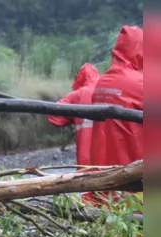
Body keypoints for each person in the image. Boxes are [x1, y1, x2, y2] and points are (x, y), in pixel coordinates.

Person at [87, 26, 143, 206]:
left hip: (104, 170)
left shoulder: (102, 82)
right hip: (133, 169)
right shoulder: (140, 83)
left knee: (110, 219)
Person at [47, 63, 100, 166]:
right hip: (109, 161)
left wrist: (71, 116)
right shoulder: (108, 91)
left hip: (85, 161)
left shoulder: (77, 95)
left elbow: (53, 115)